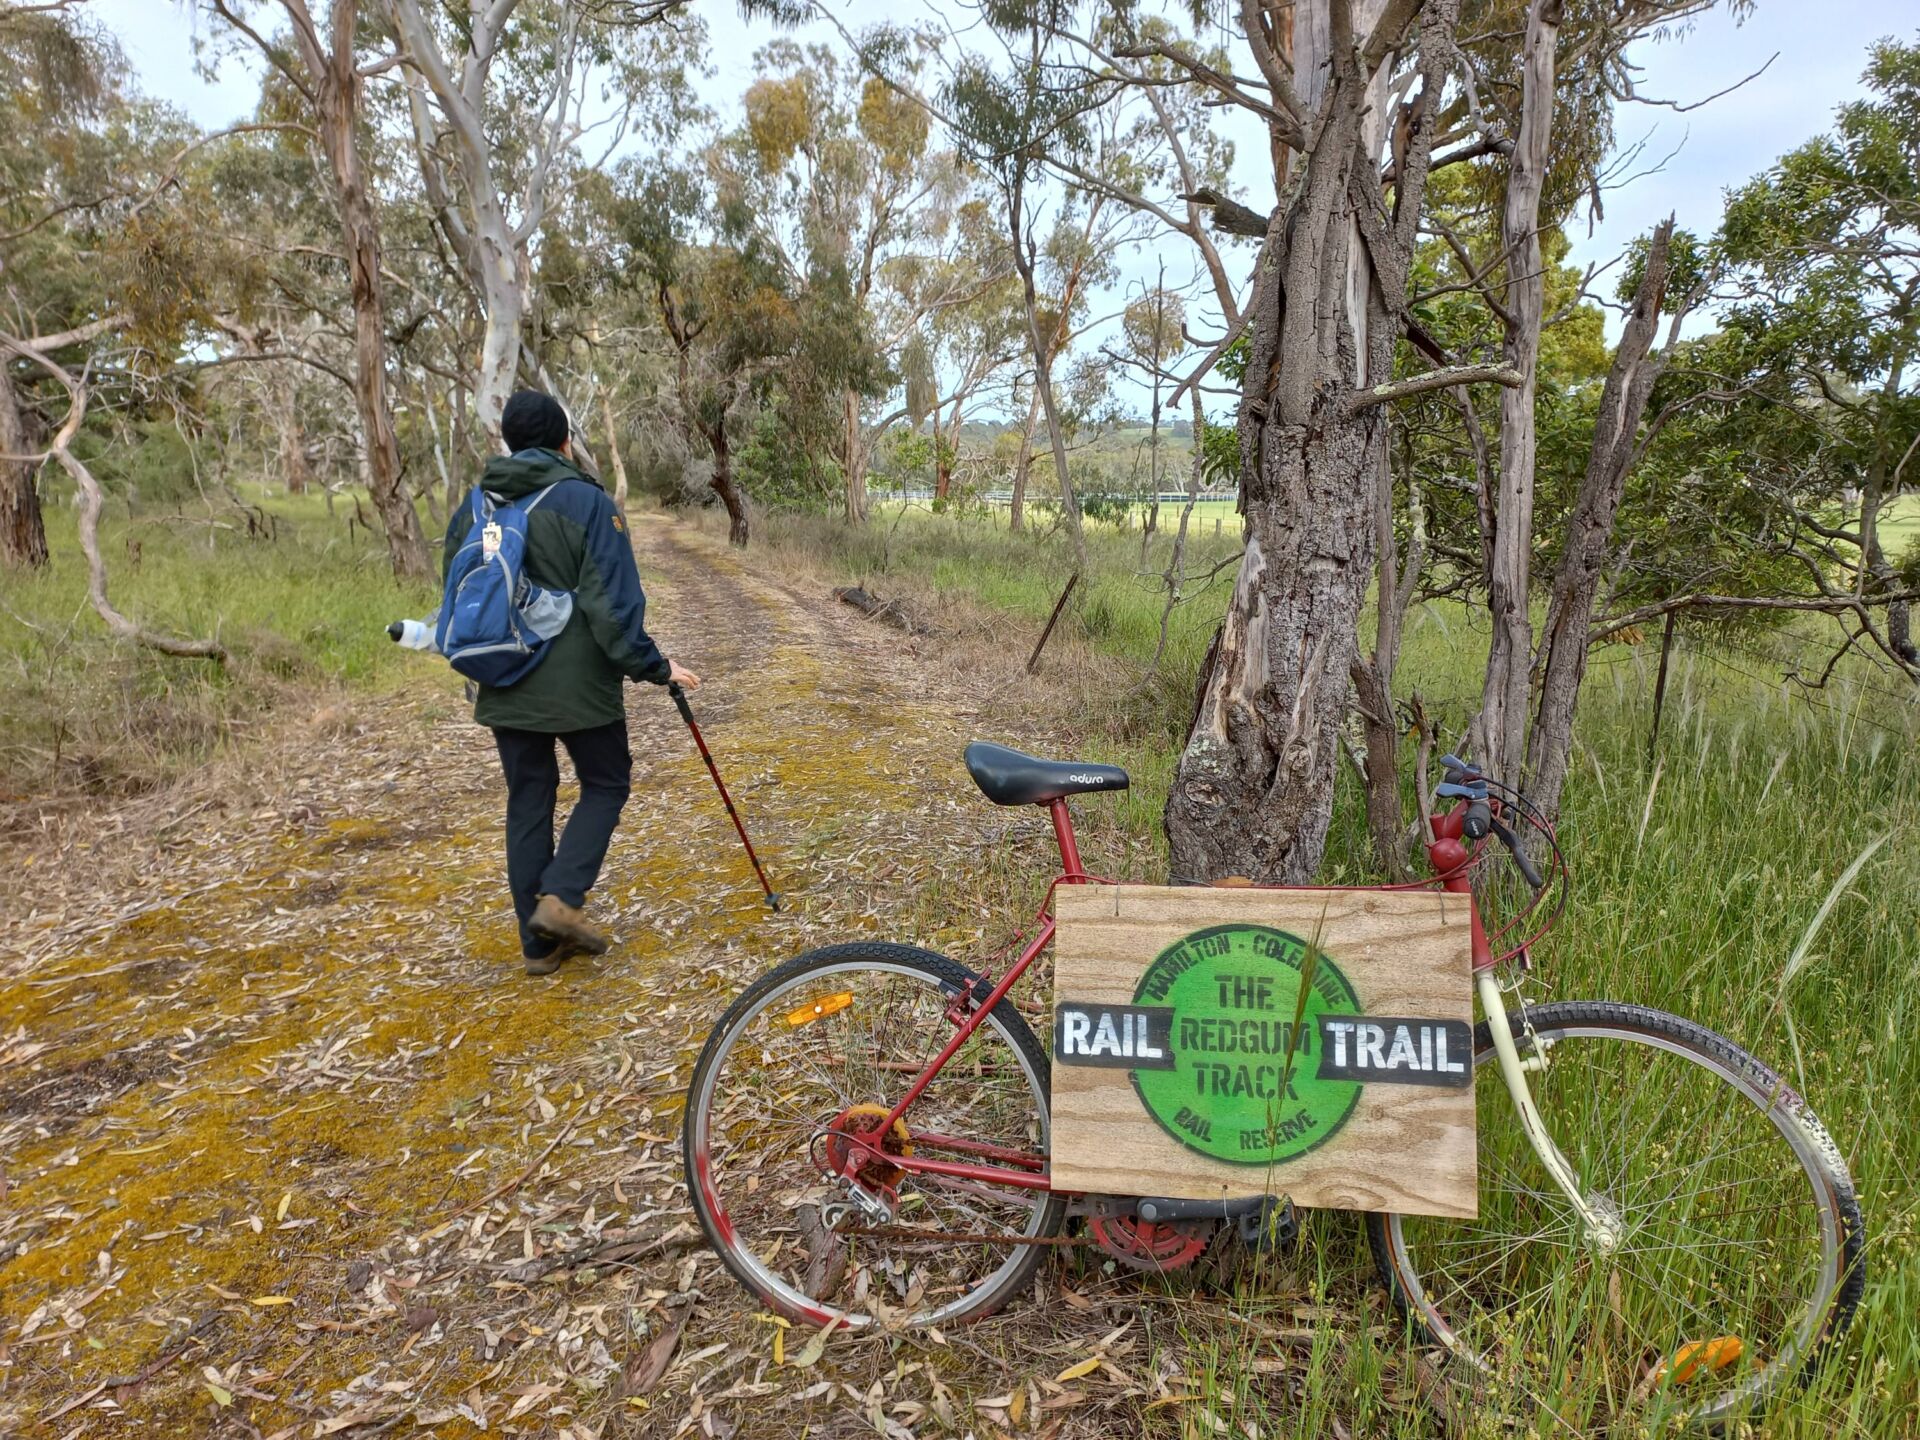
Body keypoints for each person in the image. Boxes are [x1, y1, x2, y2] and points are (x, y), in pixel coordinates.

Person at [443, 389, 699, 976]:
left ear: (508, 441)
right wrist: (655, 666)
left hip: (502, 679)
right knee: (606, 782)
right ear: (565, 441)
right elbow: (613, 609)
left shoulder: (475, 506)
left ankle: (538, 948)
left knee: (528, 799)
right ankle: (559, 899)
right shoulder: (587, 502)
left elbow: (458, 596)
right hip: (582, 688)